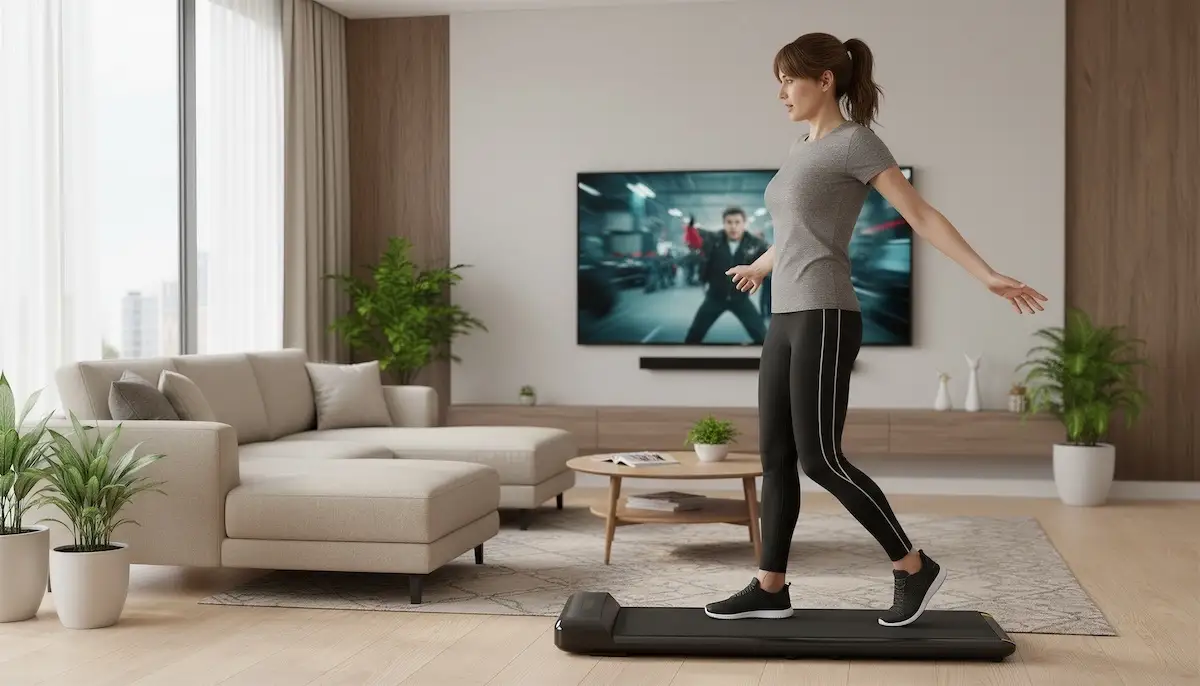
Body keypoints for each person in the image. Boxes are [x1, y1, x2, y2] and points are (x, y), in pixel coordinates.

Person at [703, 33, 1047, 627]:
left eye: (789, 79)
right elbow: (794, 232)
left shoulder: (856, 141)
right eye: (779, 81)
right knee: (777, 459)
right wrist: (760, 267)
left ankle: (912, 566)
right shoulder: (800, 146)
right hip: (784, 316)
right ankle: (770, 585)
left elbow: (919, 212)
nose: (781, 92)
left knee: (820, 459)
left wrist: (985, 274)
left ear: (825, 80)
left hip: (826, 314)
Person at [684, 207, 769, 344]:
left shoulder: (755, 243)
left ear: (744, 224)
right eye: (729, 222)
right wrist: (689, 228)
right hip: (714, 298)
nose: (733, 226)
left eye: (737, 222)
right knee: (693, 336)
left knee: (763, 337)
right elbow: (694, 241)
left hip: (740, 299)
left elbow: (771, 257)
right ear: (724, 224)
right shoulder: (712, 239)